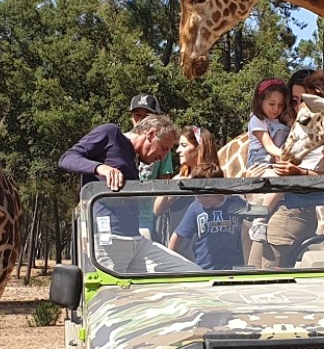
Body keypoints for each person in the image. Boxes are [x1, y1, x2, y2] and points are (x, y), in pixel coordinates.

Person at [58, 113, 199, 273]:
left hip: (137, 241)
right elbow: (67, 159)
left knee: (191, 272)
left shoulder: (133, 158)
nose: (163, 156)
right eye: (163, 149)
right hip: (108, 242)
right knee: (110, 294)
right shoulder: (111, 134)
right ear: (151, 134)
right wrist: (100, 168)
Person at [248, 70, 324, 269]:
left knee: (267, 275)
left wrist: (300, 174)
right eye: (294, 100)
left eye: (303, 100)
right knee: (252, 270)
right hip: (270, 210)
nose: (298, 106)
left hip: (295, 211)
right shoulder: (292, 132)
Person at [167, 163, 246, 271]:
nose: (200, 199)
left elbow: (252, 217)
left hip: (236, 267)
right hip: (206, 269)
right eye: (197, 194)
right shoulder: (195, 208)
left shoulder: (236, 203)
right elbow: (178, 235)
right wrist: (170, 259)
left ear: (219, 190)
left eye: (205, 195)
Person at [128, 93, 176, 240]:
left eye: (147, 116)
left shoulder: (163, 151)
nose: (141, 120)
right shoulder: (122, 143)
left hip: (148, 221)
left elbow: (164, 187)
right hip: (123, 219)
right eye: (137, 115)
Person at [153, 125, 220, 216]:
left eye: (184, 145)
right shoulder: (179, 178)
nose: (177, 151)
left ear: (199, 148)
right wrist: (170, 186)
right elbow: (157, 211)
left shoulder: (214, 179)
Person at [246, 78, 291, 167]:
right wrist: (288, 156)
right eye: (271, 104)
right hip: (260, 160)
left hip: (278, 160)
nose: (276, 109)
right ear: (260, 101)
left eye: (281, 105)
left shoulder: (282, 122)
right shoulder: (257, 120)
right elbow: (269, 146)